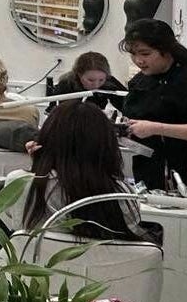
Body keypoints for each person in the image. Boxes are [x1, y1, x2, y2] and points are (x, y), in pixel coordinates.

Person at [119, 19, 187, 191]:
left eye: (145, 54)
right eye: (133, 54)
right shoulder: (140, 81)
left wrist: (156, 128)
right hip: (148, 173)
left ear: (166, 51)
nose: (138, 60)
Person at [23, 101, 147, 241]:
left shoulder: (21, 185)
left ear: (46, 138)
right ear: (106, 145)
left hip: (37, 259)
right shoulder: (124, 195)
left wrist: (40, 164)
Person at [50, 51, 126, 111]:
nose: (96, 85)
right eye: (91, 80)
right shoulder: (66, 84)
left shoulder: (109, 82)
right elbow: (52, 113)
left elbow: (128, 106)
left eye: (101, 80)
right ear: (79, 75)